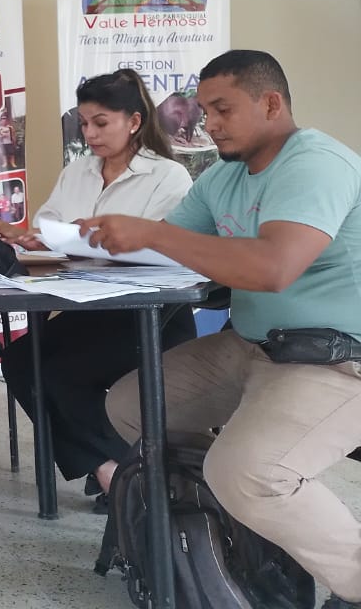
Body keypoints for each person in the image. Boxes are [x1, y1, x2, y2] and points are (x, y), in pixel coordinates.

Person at [87, 51, 361, 609]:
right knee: (134, 406)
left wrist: (151, 234)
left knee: (249, 473)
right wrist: (85, 241)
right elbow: (168, 248)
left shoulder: (317, 165)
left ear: (271, 103)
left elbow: (273, 267)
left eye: (222, 109)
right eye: (205, 110)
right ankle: (224, 535)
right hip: (252, 345)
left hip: (336, 357)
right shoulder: (224, 176)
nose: (208, 123)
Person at [0, 69, 194, 504]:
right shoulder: (77, 172)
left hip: (149, 315)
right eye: (84, 123)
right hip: (90, 308)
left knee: (58, 374)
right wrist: (36, 238)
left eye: (101, 123)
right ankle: (111, 467)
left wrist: (102, 239)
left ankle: (115, 475)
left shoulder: (168, 176)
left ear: (134, 121)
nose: (89, 134)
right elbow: (50, 223)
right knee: (19, 361)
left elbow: (168, 244)